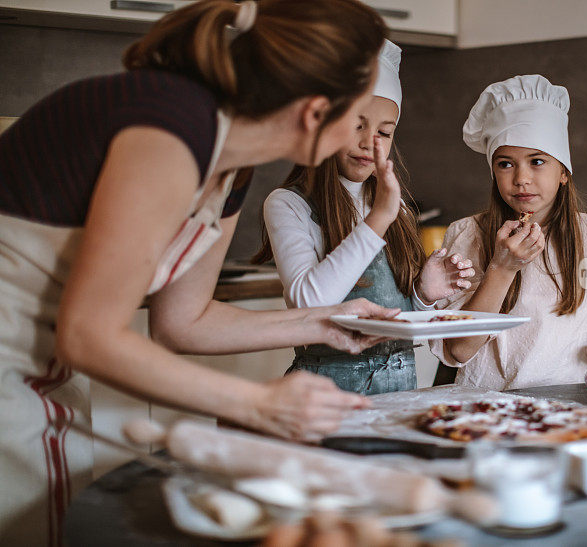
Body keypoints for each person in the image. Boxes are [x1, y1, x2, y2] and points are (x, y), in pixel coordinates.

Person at [0, 1, 395, 544]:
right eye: (357, 119)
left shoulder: (229, 164)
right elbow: (89, 334)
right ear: (314, 113)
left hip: (40, 364)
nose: (365, 138)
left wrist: (326, 320)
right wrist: (259, 404)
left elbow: (182, 323)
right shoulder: (170, 130)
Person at [259, 41, 474, 395]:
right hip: (324, 396)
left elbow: (397, 317)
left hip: (400, 393)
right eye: (356, 125)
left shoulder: (395, 207)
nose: (368, 142)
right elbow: (308, 306)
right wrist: (378, 219)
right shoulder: (288, 203)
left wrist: (422, 294)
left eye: (384, 132)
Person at [430, 75, 587, 390]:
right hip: (488, 406)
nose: (521, 178)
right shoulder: (469, 235)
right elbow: (459, 349)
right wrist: (501, 267)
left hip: (574, 403)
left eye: (537, 161)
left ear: (563, 171)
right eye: (506, 164)